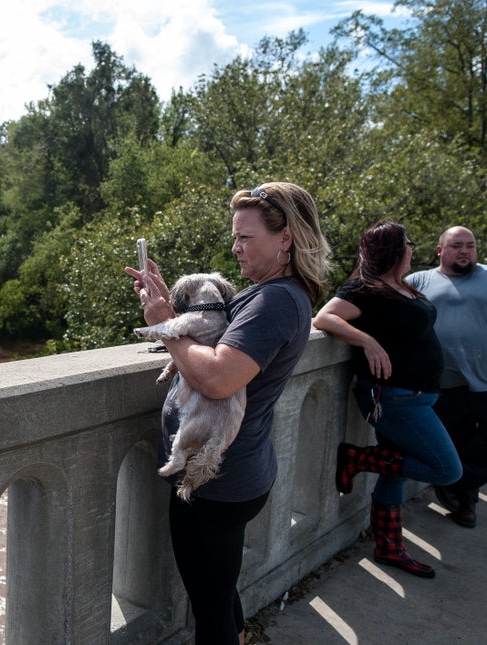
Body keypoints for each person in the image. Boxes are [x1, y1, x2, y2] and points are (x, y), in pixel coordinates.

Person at [125, 182, 330, 645]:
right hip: (235, 474)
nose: (234, 247)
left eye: (245, 237)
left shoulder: (275, 299)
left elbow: (218, 377)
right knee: (219, 592)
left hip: (217, 483)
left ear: (285, 239)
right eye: (234, 236)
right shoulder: (274, 292)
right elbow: (216, 336)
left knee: (209, 608)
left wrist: (163, 326)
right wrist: (171, 306)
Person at [312, 220, 462, 579]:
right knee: (447, 469)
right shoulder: (366, 288)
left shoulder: (403, 287)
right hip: (394, 398)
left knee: (395, 470)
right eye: (408, 242)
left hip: (416, 397)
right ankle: (357, 458)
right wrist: (367, 341)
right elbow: (325, 317)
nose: (413, 248)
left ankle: (388, 546)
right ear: (395, 249)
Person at [407, 226, 487, 528]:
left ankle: (455, 484)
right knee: (456, 441)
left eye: (470, 245)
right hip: (443, 383)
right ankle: (466, 504)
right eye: (456, 245)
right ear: (440, 251)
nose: (464, 250)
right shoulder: (419, 281)